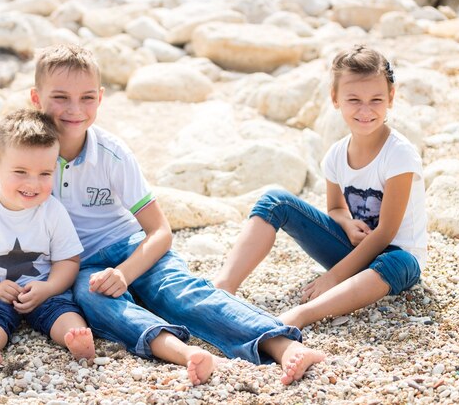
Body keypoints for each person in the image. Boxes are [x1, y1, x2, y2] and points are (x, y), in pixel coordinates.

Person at [27, 43, 325, 386]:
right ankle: (182, 352)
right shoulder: (30, 156)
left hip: (132, 248)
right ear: (36, 98)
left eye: (87, 97)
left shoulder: (112, 155)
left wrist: (125, 274)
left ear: (101, 97)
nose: (75, 109)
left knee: (180, 293)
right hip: (82, 265)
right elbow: (8, 215)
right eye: (60, 97)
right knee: (92, 300)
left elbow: (160, 231)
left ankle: (282, 344)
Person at [213, 45, 427, 331]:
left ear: (391, 97)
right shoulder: (337, 155)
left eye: (376, 99)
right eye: (354, 99)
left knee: (396, 259)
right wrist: (347, 224)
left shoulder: (399, 155)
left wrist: (333, 277)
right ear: (335, 99)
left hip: (397, 263)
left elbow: (386, 233)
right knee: (275, 200)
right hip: (353, 251)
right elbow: (336, 209)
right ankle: (222, 288)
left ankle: (303, 314)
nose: (365, 110)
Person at [0, 109, 95, 366]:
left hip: (43, 289)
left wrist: (49, 287)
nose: (33, 184)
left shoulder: (52, 211)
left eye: (45, 174)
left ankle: (75, 338)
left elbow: (68, 261)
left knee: (63, 309)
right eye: (21, 172)